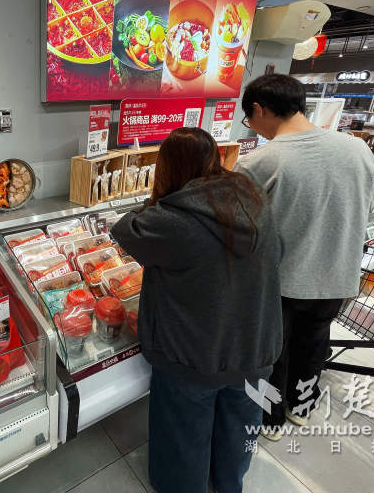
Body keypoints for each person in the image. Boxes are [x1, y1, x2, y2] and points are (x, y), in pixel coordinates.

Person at [111, 128, 283, 493]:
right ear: (216, 159)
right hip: (254, 345)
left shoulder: (173, 218)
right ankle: (228, 484)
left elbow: (123, 229)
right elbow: (278, 251)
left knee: (183, 431)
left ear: (167, 168)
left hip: (193, 353)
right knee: (238, 426)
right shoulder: (254, 199)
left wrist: (158, 197)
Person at [234, 74, 374, 440]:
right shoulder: (357, 148)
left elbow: (238, 228)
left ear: (258, 109)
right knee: (314, 344)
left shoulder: (260, 161)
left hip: (283, 280)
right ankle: (302, 407)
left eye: (248, 118)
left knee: (274, 353)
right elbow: (369, 210)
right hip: (339, 275)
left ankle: (271, 421)